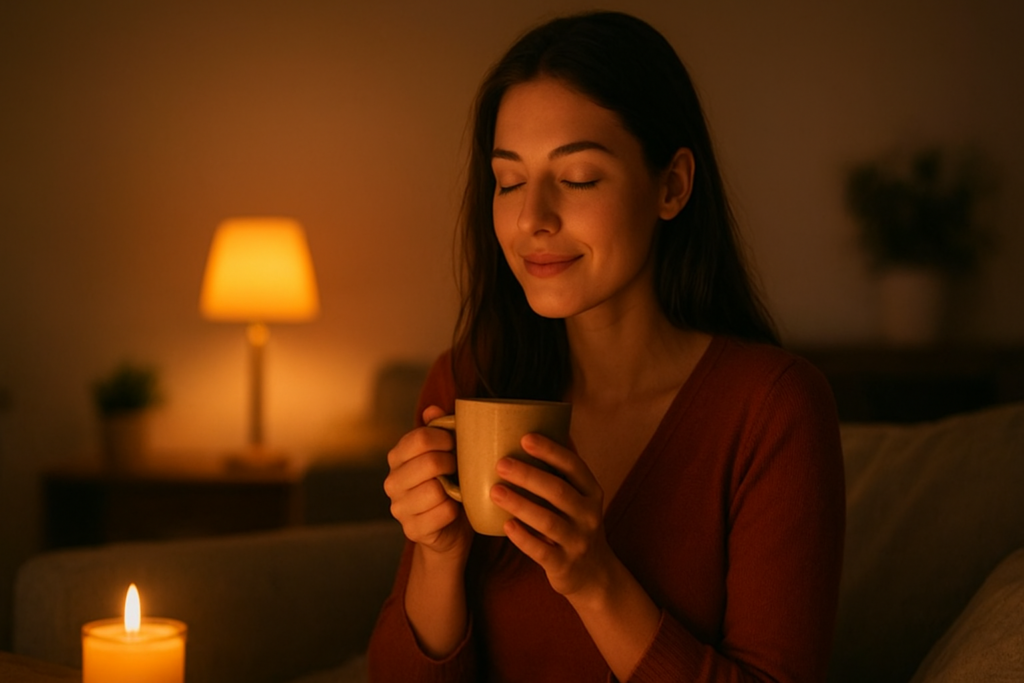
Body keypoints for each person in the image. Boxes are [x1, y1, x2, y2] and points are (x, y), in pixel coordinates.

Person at [368, 10, 844, 683]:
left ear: (672, 185)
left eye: (579, 177)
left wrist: (595, 579)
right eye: (508, 181)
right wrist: (437, 553)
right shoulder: (467, 382)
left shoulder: (772, 408)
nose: (532, 218)